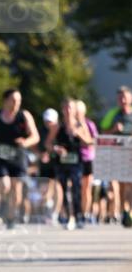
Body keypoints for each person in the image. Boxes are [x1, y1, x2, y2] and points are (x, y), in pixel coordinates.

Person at [0, 89, 40, 228]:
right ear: (5, 100)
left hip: (18, 158)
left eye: (18, 100)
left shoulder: (24, 116)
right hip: (1, 157)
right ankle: (3, 206)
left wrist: (26, 142)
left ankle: (11, 218)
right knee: (5, 186)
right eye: (13, 100)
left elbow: (35, 136)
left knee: (16, 191)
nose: (16, 103)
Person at [46, 98, 92, 230]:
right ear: (62, 110)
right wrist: (56, 149)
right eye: (65, 108)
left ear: (74, 110)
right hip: (62, 163)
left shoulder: (80, 125)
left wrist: (79, 135)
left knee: (77, 188)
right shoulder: (57, 127)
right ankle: (68, 216)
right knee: (64, 189)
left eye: (70, 108)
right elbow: (48, 143)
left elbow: (89, 142)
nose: (68, 111)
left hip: (76, 162)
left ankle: (79, 215)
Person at [103, 85, 132, 227]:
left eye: (125, 97)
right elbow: (102, 134)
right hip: (116, 154)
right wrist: (113, 130)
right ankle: (122, 212)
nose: (122, 100)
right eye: (120, 98)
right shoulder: (112, 114)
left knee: (130, 185)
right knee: (118, 185)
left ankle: (129, 212)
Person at [74, 100, 98, 224]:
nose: (77, 114)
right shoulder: (71, 125)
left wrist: (82, 133)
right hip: (75, 159)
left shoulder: (89, 124)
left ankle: (85, 213)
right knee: (76, 187)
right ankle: (76, 212)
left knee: (86, 188)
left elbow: (93, 141)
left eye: (79, 111)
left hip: (88, 158)